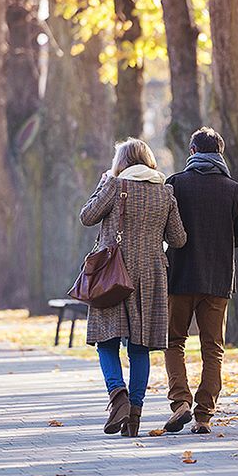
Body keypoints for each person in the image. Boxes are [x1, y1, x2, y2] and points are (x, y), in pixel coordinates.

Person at [80, 138, 187, 437]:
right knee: (140, 347)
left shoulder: (114, 186)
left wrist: (105, 183)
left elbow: (87, 216)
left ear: (121, 162)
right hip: (152, 275)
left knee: (106, 341)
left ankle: (118, 397)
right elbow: (178, 239)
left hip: (113, 274)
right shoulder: (165, 192)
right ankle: (134, 416)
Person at [163, 127, 238, 434]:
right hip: (217, 281)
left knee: (174, 342)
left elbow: (165, 229)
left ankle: (180, 402)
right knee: (213, 348)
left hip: (180, 277)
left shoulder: (175, 184)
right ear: (220, 154)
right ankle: (204, 415)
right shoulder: (234, 190)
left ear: (193, 152)